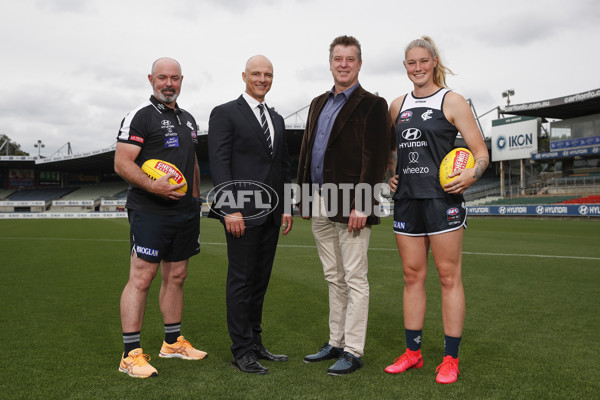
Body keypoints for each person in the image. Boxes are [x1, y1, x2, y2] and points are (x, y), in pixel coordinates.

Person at [384, 36, 489, 384]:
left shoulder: (452, 101)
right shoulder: (396, 106)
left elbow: (481, 153)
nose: (417, 68)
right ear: (406, 66)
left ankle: (450, 359)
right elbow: (388, 152)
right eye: (411, 63)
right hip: (407, 203)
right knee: (412, 277)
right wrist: (390, 175)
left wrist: (470, 175)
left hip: (442, 202)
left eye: (423, 62)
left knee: (448, 278)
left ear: (434, 61)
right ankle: (413, 353)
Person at [296, 35, 392, 376]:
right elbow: (307, 152)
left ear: (360, 63)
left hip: (351, 204)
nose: (344, 64)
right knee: (332, 277)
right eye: (338, 58)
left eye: (350, 59)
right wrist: (303, 198)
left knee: (355, 278)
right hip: (319, 200)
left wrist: (363, 204)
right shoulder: (317, 102)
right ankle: (335, 341)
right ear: (331, 62)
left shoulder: (372, 104)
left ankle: (353, 350)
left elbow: (376, 157)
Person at [115, 57, 206, 379]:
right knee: (142, 277)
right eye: (163, 78)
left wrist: (195, 198)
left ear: (182, 80)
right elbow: (122, 162)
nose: (169, 83)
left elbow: (191, 163)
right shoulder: (140, 115)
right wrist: (153, 186)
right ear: (151, 79)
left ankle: (172, 343)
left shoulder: (189, 119)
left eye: (175, 78)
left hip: (184, 211)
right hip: (150, 210)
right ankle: (130, 354)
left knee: (177, 276)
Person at [207, 55, 293, 375]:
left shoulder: (277, 118)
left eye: (268, 74)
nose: (262, 79)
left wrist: (285, 205)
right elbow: (219, 162)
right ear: (244, 75)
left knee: (259, 282)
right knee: (241, 281)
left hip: (271, 214)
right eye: (256, 73)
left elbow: (281, 166)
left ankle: (255, 342)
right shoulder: (225, 113)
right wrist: (229, 207)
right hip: (240, 212)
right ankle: (240, 350)